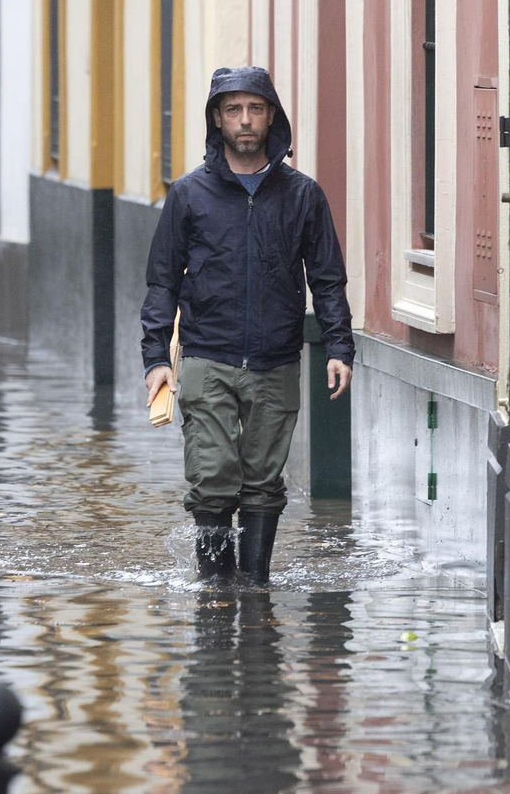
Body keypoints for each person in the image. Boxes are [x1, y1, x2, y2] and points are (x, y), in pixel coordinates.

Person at [142, 66, 354, 585]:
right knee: (212, 477)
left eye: (255, 109)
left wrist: (338, 347)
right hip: (205, 356)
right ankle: (215, 589)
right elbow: (162, 282)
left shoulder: (303, 196)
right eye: (233, 110)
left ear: (271, 118)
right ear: (217, 119)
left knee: (263, 482)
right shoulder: (189, 194)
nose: (244, 120)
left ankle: (253, 589)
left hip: (276, 358)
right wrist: (154, 361)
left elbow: (326, 279)